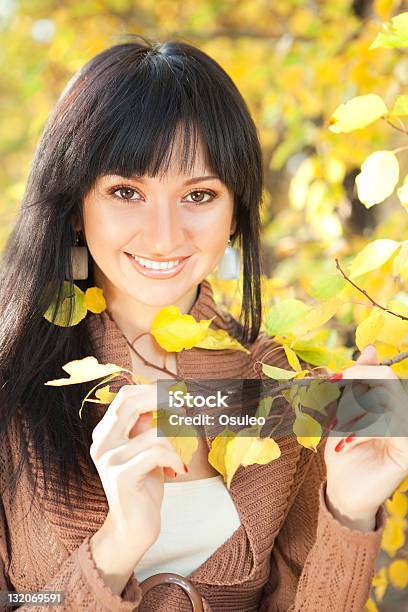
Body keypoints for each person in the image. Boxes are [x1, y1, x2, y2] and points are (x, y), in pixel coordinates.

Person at [0, 35, 406, 612]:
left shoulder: (288, 389)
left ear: (237, 211)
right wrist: (116, 550)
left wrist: (351, 512)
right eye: (125, 191)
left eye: (198, 194)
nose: (165, 236)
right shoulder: (9, 386)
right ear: (73, 203)